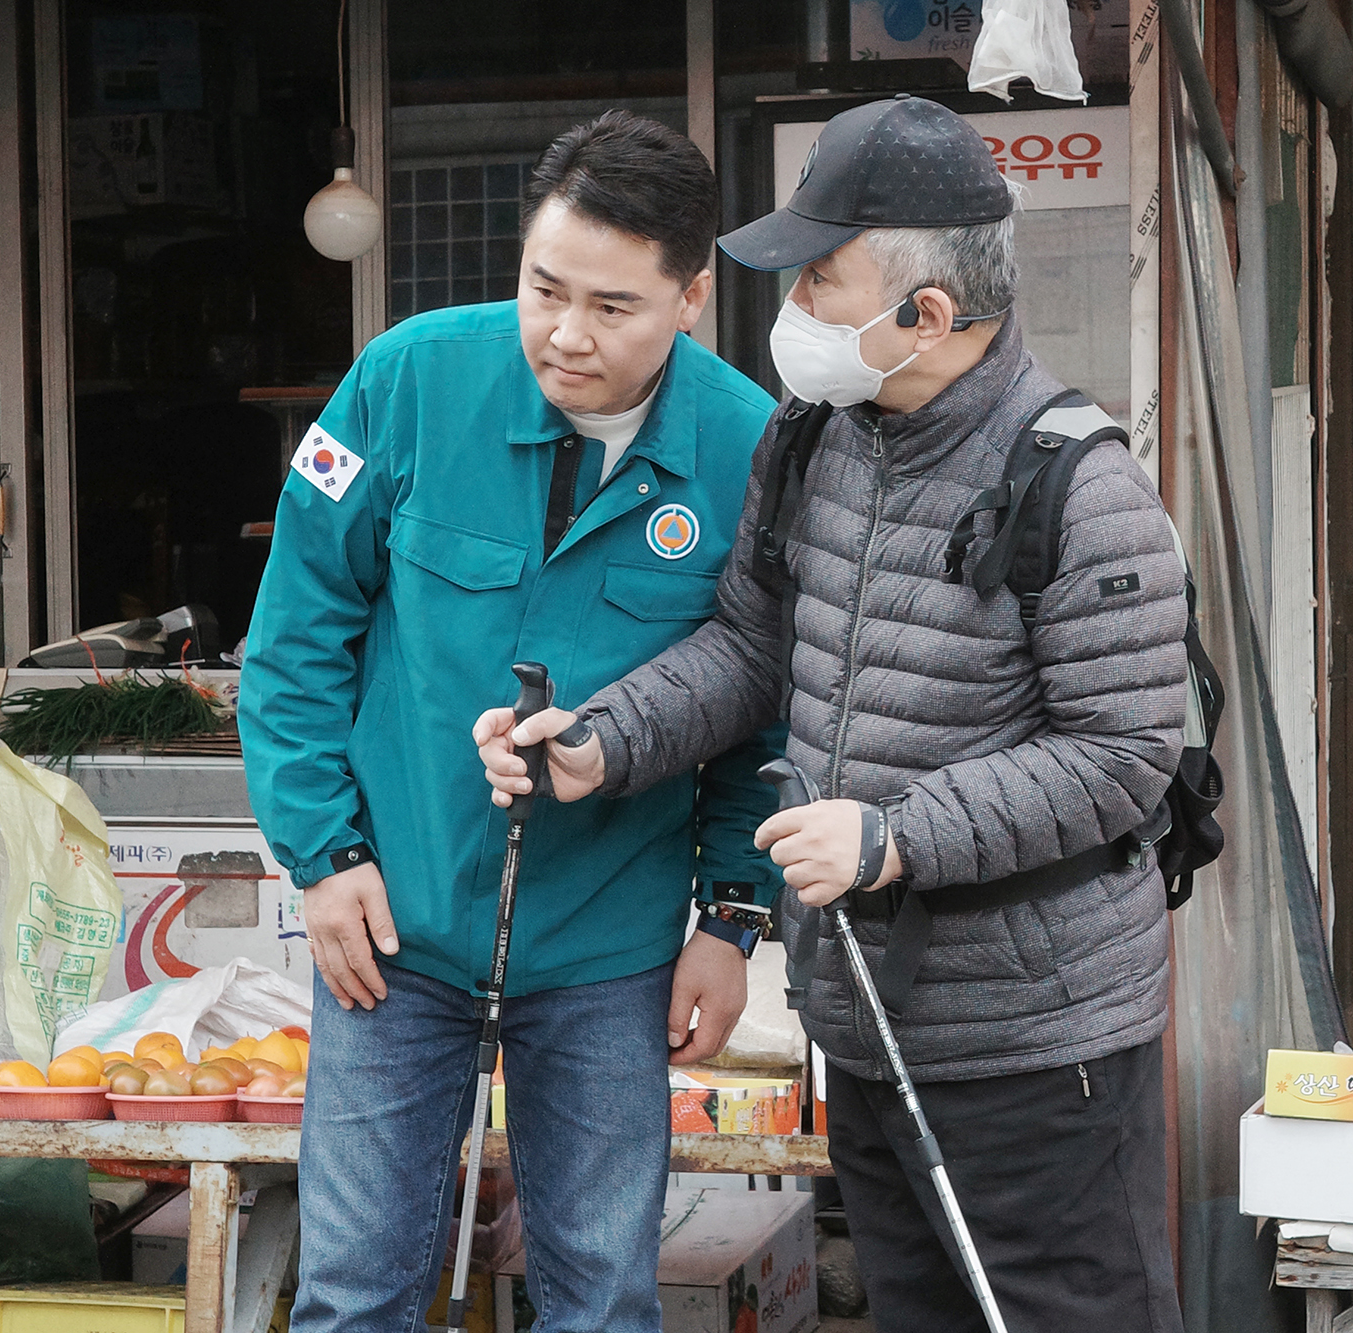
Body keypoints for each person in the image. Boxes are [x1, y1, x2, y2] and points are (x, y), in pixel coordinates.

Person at [478, 96, 1189, 1332]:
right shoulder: (814, 443)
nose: (790, 310)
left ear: (922, 313)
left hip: (1038, 1043)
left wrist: (896, 835)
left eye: (819, 281)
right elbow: (753, 647)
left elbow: (1123, 756)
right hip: (861, 1013)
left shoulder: (1086, 487)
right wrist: (606, 740)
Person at [241, 111, 784, 1333]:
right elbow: (294, 638)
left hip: (609, 947)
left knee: (599, 1296)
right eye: (545, 288)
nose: (566, 335)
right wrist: (323, 859)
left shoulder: (748, 448)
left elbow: (760, 701)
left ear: (690, 298)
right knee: (352, 1290)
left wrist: (734, 918)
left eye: (613, 306)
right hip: (394, 930)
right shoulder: (405, 380)